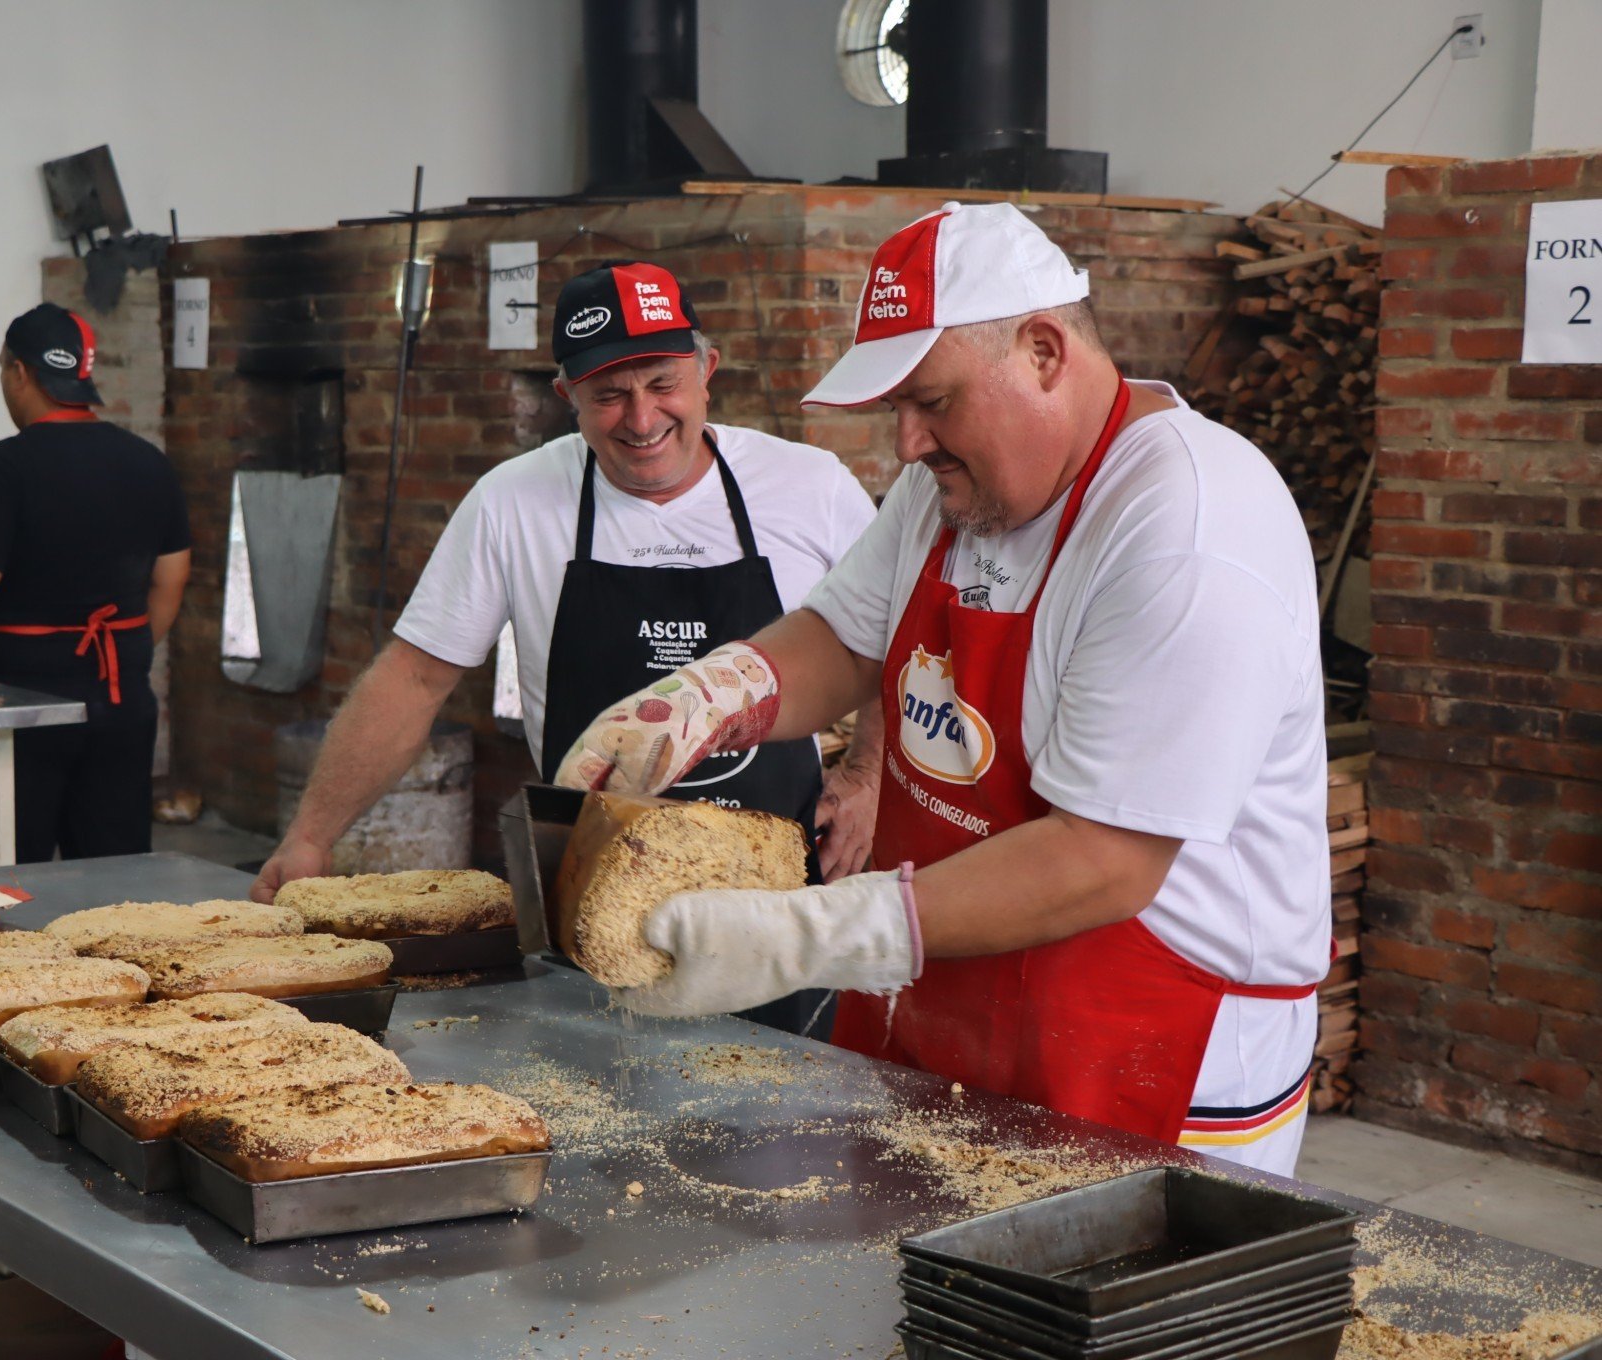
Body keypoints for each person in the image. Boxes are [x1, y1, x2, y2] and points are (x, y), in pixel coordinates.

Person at [553, 204, 1330, 1173]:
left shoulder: (1189, 525)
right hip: (951, 1001)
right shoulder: (952, 488)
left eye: (933, 401)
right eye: (896, 411)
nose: (907, 445)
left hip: (1153, 1052)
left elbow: (1106, 859)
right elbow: (845, 638)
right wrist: (712, 694)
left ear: (1043, 352)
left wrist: (809, 936)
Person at [253, 261, 885, 1034]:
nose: (641, 418)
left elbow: (898, 642)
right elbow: (415, 679)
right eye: (609, 395)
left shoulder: (809, 487)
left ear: (706, 370)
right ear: (568, 398)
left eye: (661, 383)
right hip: (597, 894)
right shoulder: (513, 503)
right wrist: (311, 836)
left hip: (773, 896)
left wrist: (869, 773)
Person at [0, 303, 190, 866]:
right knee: (114, 883)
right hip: (118, 703)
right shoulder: (148, 462)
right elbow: (171, 582)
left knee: (13, 884)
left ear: (20, 373)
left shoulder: (4, 468)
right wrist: (121, 658)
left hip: (14, 714)